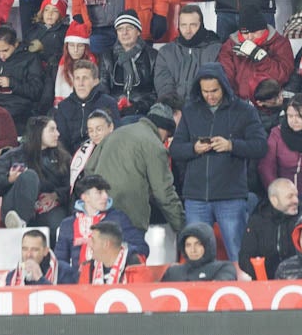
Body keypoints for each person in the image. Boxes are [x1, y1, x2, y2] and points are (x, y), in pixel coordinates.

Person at [170, 64, 266, 265]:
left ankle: (243, 293)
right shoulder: (190, 111)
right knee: (196, 258)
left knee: (238, 254)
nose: (210, 96)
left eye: (214, 91)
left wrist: (232, 145)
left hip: (230, 196)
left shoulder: (244, 111)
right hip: (196, 197)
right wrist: (194, 149)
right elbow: (176, 149)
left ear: (224, 86)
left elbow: (260, 146)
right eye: (205, 91)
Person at [89, 101, 183, 233]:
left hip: (99, 214)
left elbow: (89, 168)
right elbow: (164, 193)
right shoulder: (155, 146)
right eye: (167, 136)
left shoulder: (116, 133)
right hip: (130, 219)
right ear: (164, 129)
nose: (165, 140)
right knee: (133, 252)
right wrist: (182, 228)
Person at [160, 223, 236, 282]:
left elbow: (220, 290)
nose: (193, 250)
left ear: (208, 245)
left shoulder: (224, 268)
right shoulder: (173, 272)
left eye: (198, 244)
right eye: (188, 245)